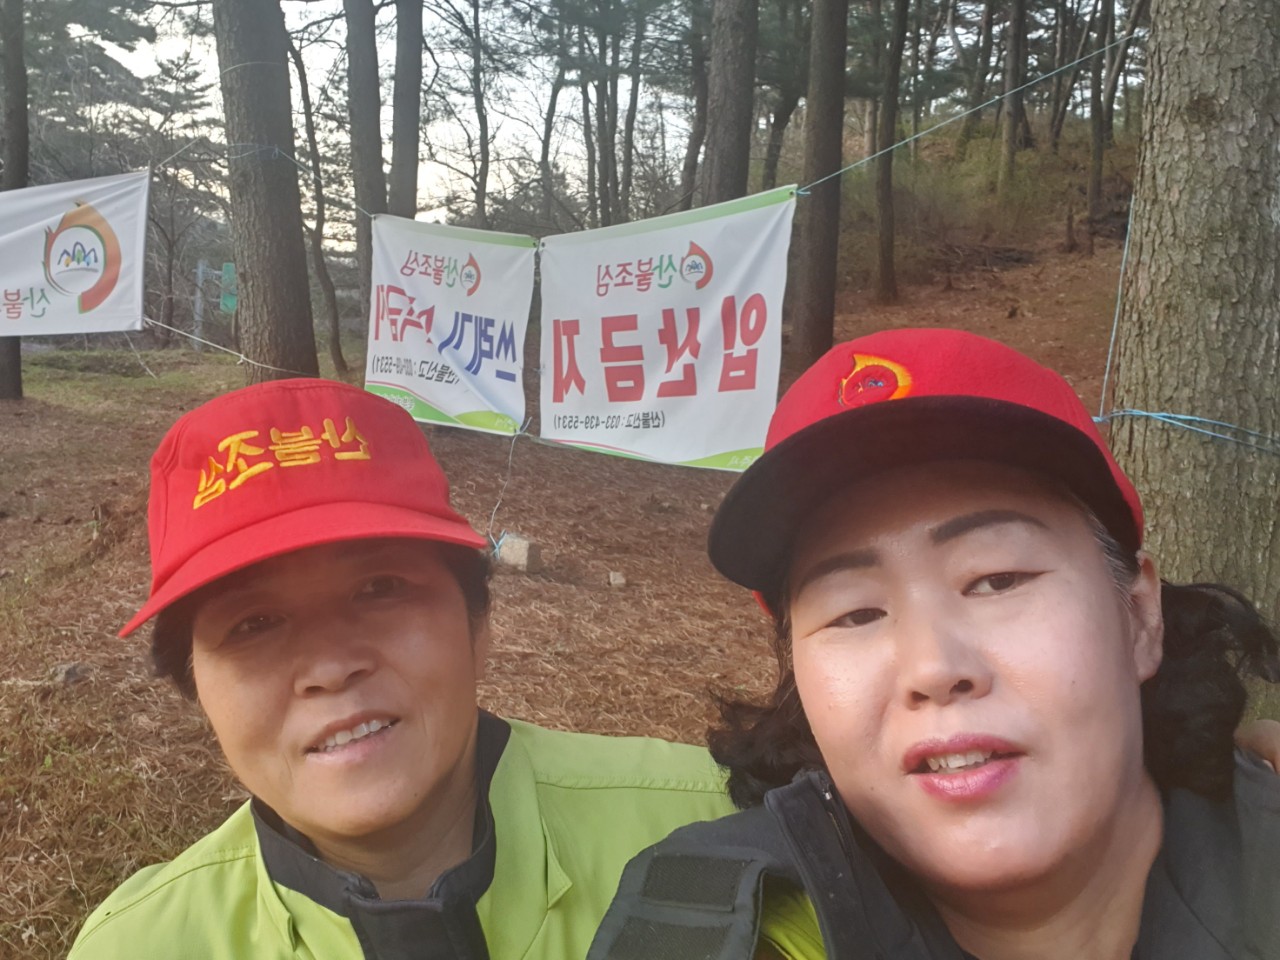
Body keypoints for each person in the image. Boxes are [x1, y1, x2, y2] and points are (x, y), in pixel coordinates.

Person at [590, 328, 1280, 960]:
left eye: (997, 580)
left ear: (1139, 617)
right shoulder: (708, 923)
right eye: (856, 613)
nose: (934, 667)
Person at [68, 378, 735, 960]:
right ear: (194, 686)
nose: (331, 668)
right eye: (254, 624)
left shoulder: (719, 842)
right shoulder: (141, 946)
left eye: (379, 588)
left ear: (478, 624)